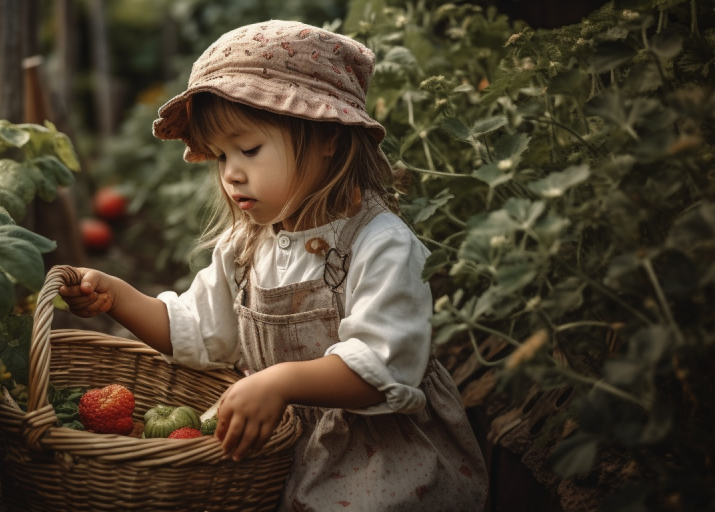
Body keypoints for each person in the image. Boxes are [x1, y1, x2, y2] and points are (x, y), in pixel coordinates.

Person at [59, 19, 488, 511]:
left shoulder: (380, 243)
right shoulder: (245, 247)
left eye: (249, 149)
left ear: (326, 135)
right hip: (275, 454)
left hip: (378, 460)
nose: (232, 173)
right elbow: (198, 331)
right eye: (220, 157)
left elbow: (382, 367)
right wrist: (120, 297)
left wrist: (278, 381)